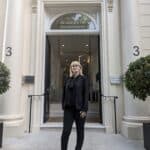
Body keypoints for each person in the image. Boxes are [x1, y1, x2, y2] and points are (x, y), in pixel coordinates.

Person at [61, 61, 89, 150]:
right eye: (72, 66)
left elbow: (86, 95)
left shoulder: (83, 79)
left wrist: (84, 109)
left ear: (80, 68)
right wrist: (63, 104)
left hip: (80, 109)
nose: (74, 67)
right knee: (66, 131)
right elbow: (64, 93)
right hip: (68, 109)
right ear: (71, 68)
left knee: (80, 131)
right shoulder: (67, 79)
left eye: (76, 65)